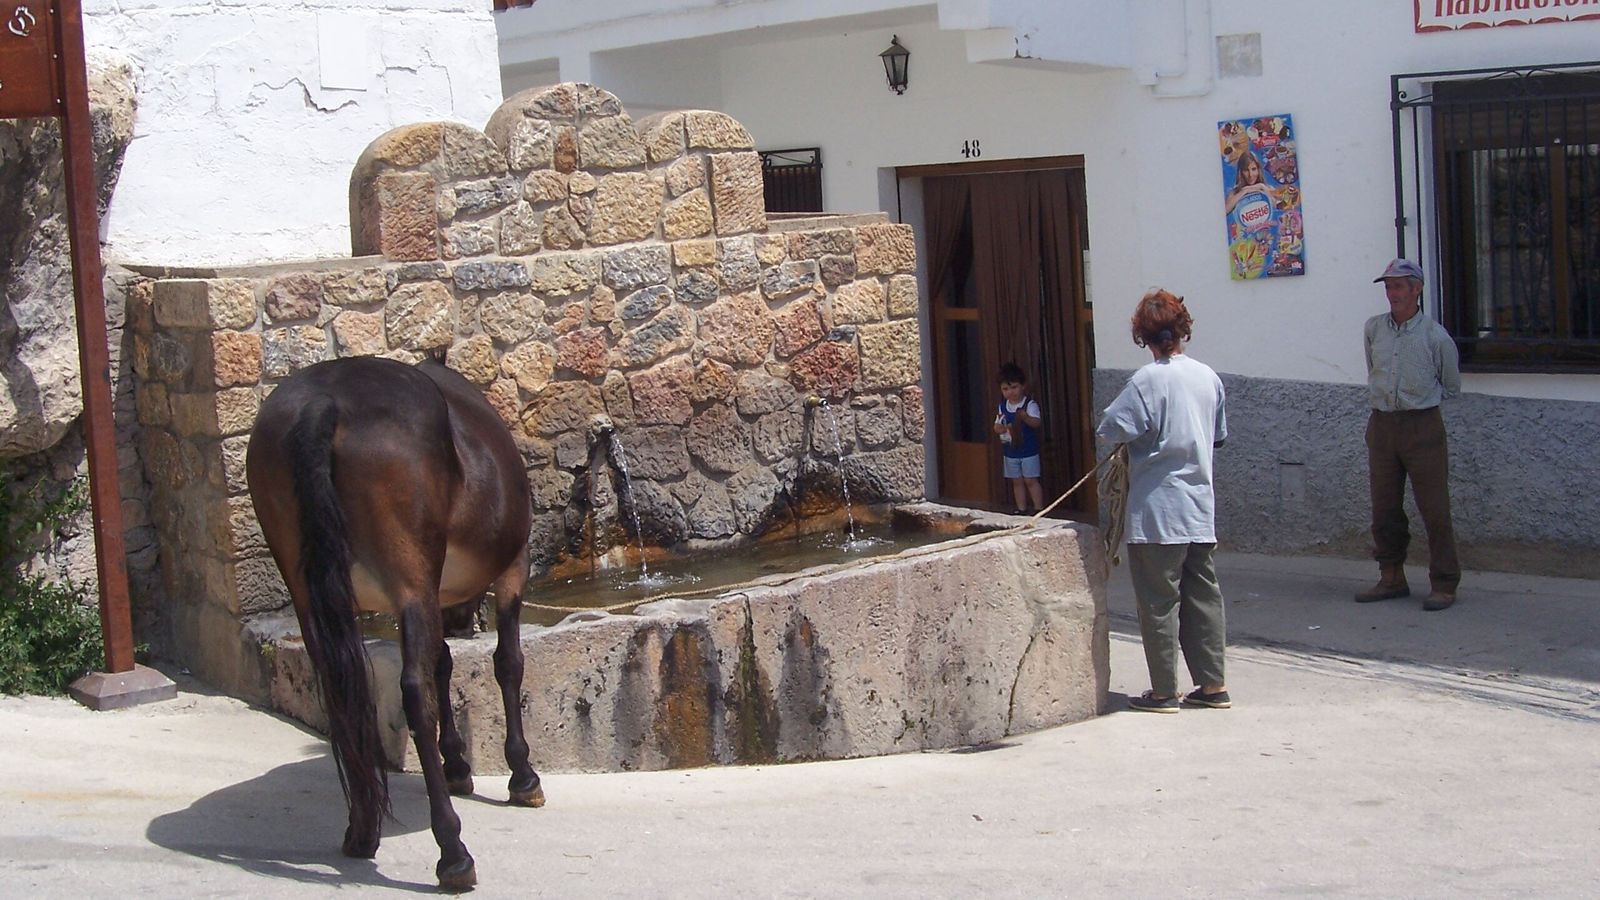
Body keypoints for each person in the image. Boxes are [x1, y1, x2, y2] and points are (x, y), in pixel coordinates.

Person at [1096, 290, 1229, 713]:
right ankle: (1213, 685)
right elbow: (1218, 437)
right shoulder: (1208, 377)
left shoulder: (1147, 380)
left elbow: (1111, 428)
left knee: (1158, 602)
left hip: (1156, 514)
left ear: (1144, 336)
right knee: (1203, 597)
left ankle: (1164, 691)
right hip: (1198, 509)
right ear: (1183, 328)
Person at [1357, 258, 1462, 611]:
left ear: (1416, 290)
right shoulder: (1374, 329)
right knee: (1384, 507)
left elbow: (1451, 385)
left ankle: (1444, 582)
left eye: (1399, 286)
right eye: (1388, 287)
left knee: (1434, 508)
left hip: (1423, 426)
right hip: (1383, 425)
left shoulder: (1435, 336)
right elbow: (1373, 370)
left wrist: (1418, 401)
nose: (1392, 294)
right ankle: (1391, 577)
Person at [993, 362, 1044, 515]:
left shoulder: (1029, 404)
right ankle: (1021, 508)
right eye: (1005, 389)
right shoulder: (1002, 407)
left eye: (1014, 387)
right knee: (1017, 481)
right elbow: (996, 425)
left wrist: (1026, 417)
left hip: (1028, 450)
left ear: (1023, 386)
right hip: (1010, 451)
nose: (1010, 392)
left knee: (1031, 480)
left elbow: (1037, 422)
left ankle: (1039, 508)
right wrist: (999, 428)